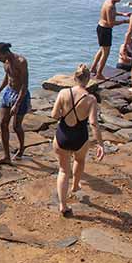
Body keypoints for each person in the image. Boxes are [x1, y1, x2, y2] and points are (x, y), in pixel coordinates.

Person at [50, 64, 105, 217]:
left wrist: (64, 113)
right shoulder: (91, 99)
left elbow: (54, 115)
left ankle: (63, 205)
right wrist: (100, 144)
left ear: (74, 78)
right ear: (88, 80)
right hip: (80, 137)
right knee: (79, 161)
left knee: (62, 170)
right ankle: (75, 185)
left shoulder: (63, 93)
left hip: (62, 136)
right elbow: (93, 123)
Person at [0, 42, 30, 164]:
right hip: (8, 92)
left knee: (16, 126)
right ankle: (6, 156)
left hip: (20, 94)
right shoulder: (6, 62)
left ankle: (22, 148)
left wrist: (17, 104)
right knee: (3, 123)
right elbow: (8, 76)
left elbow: (25, 84)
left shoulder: (21, 62)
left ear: (5, 53)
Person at [89, 0, 132, 80]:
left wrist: (123, 14)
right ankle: (99, 74)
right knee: (106, 53)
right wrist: (125, 21)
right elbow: (111, 23)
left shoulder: (108, 1)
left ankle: (93, 68)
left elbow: (111, 13)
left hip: (101, 28)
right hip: (105, 30)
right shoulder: (110, 6)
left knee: (102, 49)